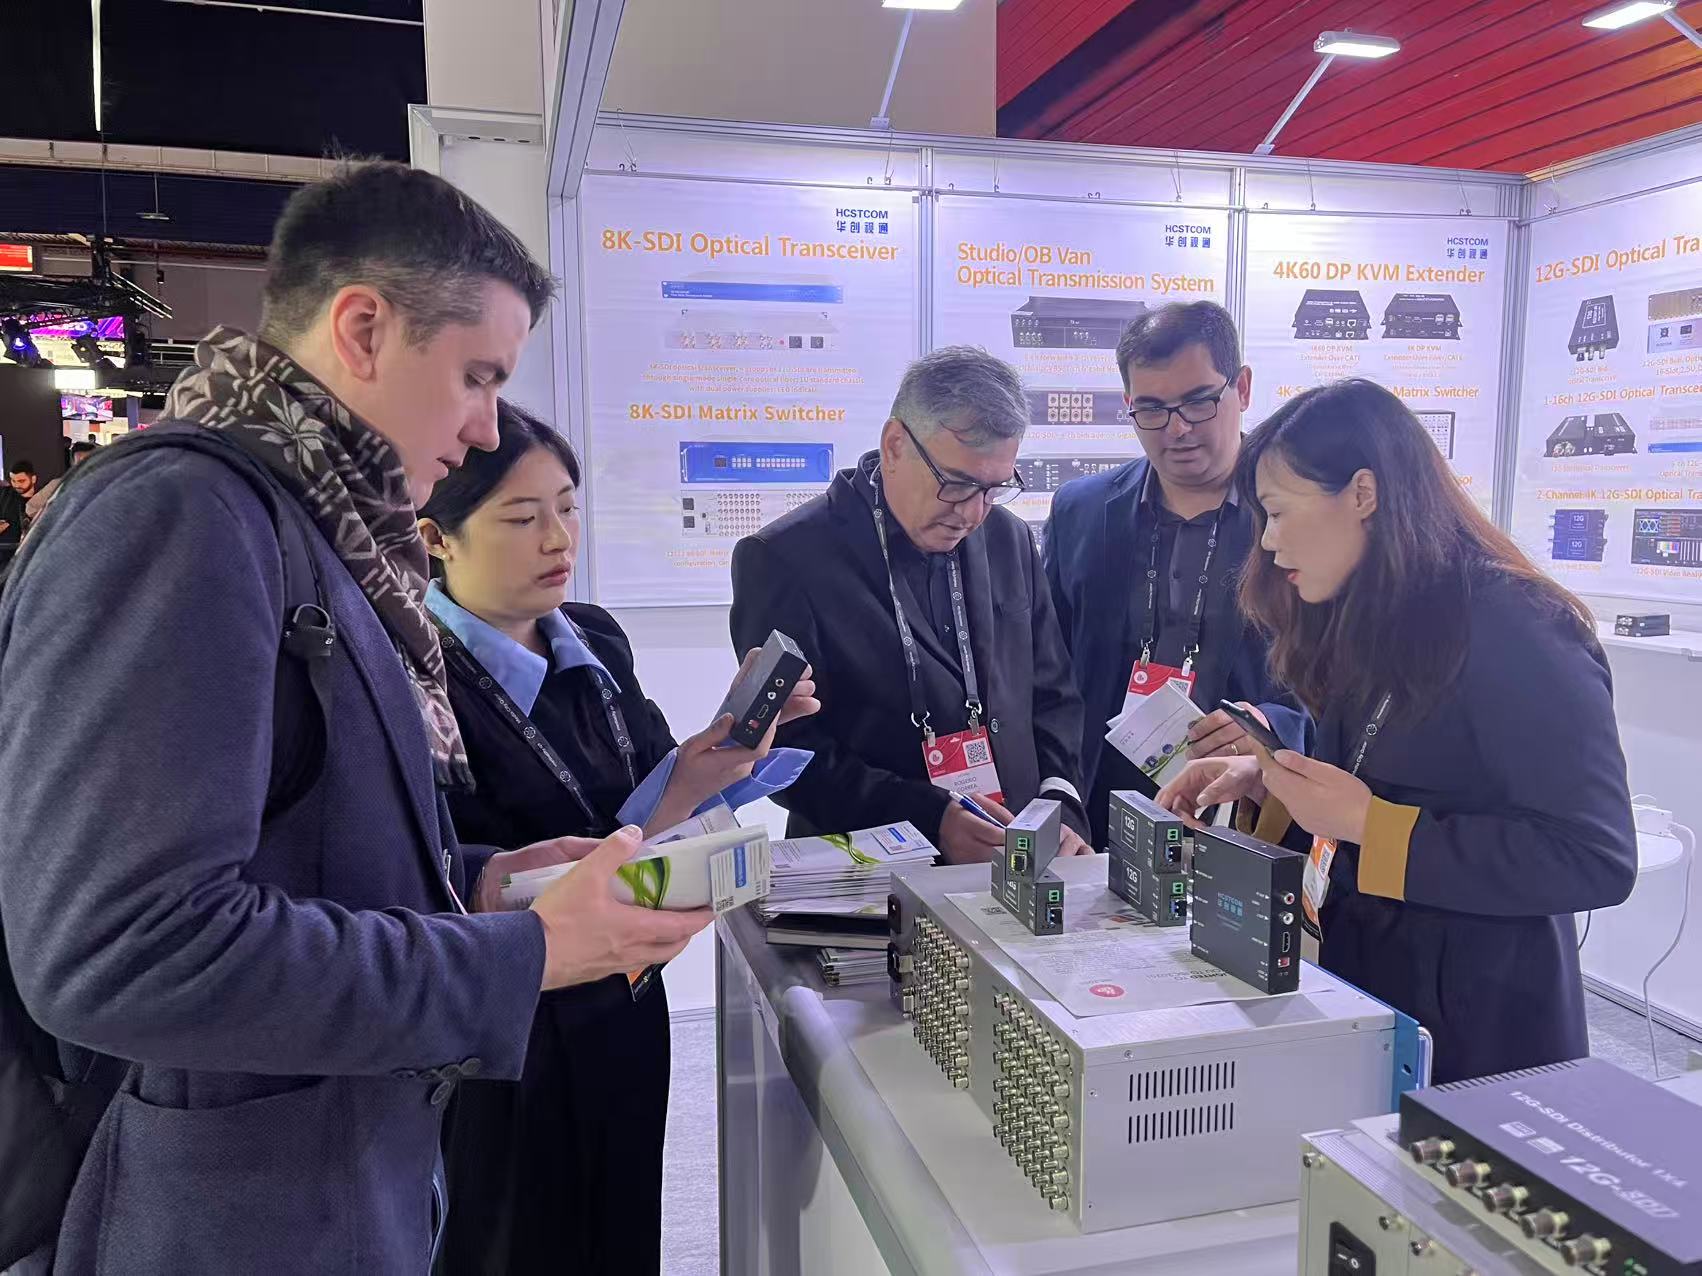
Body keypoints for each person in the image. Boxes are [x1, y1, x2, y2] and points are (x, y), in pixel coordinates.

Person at [0, 161, 713, 1275]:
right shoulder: (181, 516)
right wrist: (519, 955)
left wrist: (478, 881)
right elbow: (122, 950)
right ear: (365, 328)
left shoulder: (316, 532)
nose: (486, 429)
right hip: (225, 1219)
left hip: (334, 1185)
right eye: (476, 376)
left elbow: (294, 842)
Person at [418, 400, 816, 1275]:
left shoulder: (595, 636)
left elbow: (639, 810)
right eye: (522, 517)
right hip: (504, 1021)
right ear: (437, 537)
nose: (558, 538)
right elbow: (420, 868)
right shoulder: (413, 674)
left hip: (624, 993)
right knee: (512, 1238)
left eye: (567, 507)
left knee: (622, 1219)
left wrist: (719, 756)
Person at [1158, 379, 1636, 1083]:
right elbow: (1383, 772)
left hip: (1478, 1028)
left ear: (1362, 493)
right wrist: (1269, 781)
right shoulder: (1366, 614)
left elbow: (1594, 855)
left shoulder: (1517, 627)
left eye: (1279, 512)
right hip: (1368, 988)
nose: (1268, 541)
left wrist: (1370, 824)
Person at [731, 345, 1093, 862]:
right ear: (895, 445)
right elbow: (786, 751)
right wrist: (930, 818)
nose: (972, 513)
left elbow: (1053, 695)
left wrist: (1059, 803)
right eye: (957, 484)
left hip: (1014, 856)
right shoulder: (785, 559)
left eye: (993, 488)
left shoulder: (1008, 538)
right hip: (867, 872)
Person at [1043, 302, 1306, 848]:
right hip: (1098, 817)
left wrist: (1272, 726)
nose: (1177, 429)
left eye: (1198, 402)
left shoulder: (1299, 516)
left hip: (1242, 814)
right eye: (1152, 409)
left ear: (1242, 388)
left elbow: (1348, 685)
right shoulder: (1080, 511)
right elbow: (1047, 674)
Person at [24, 441, 97, 527]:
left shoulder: (104, 485)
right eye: (80, 463)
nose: (85, 467)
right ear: (73, 463)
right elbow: (31, 508)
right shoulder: (58, 485)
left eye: (90, 462)